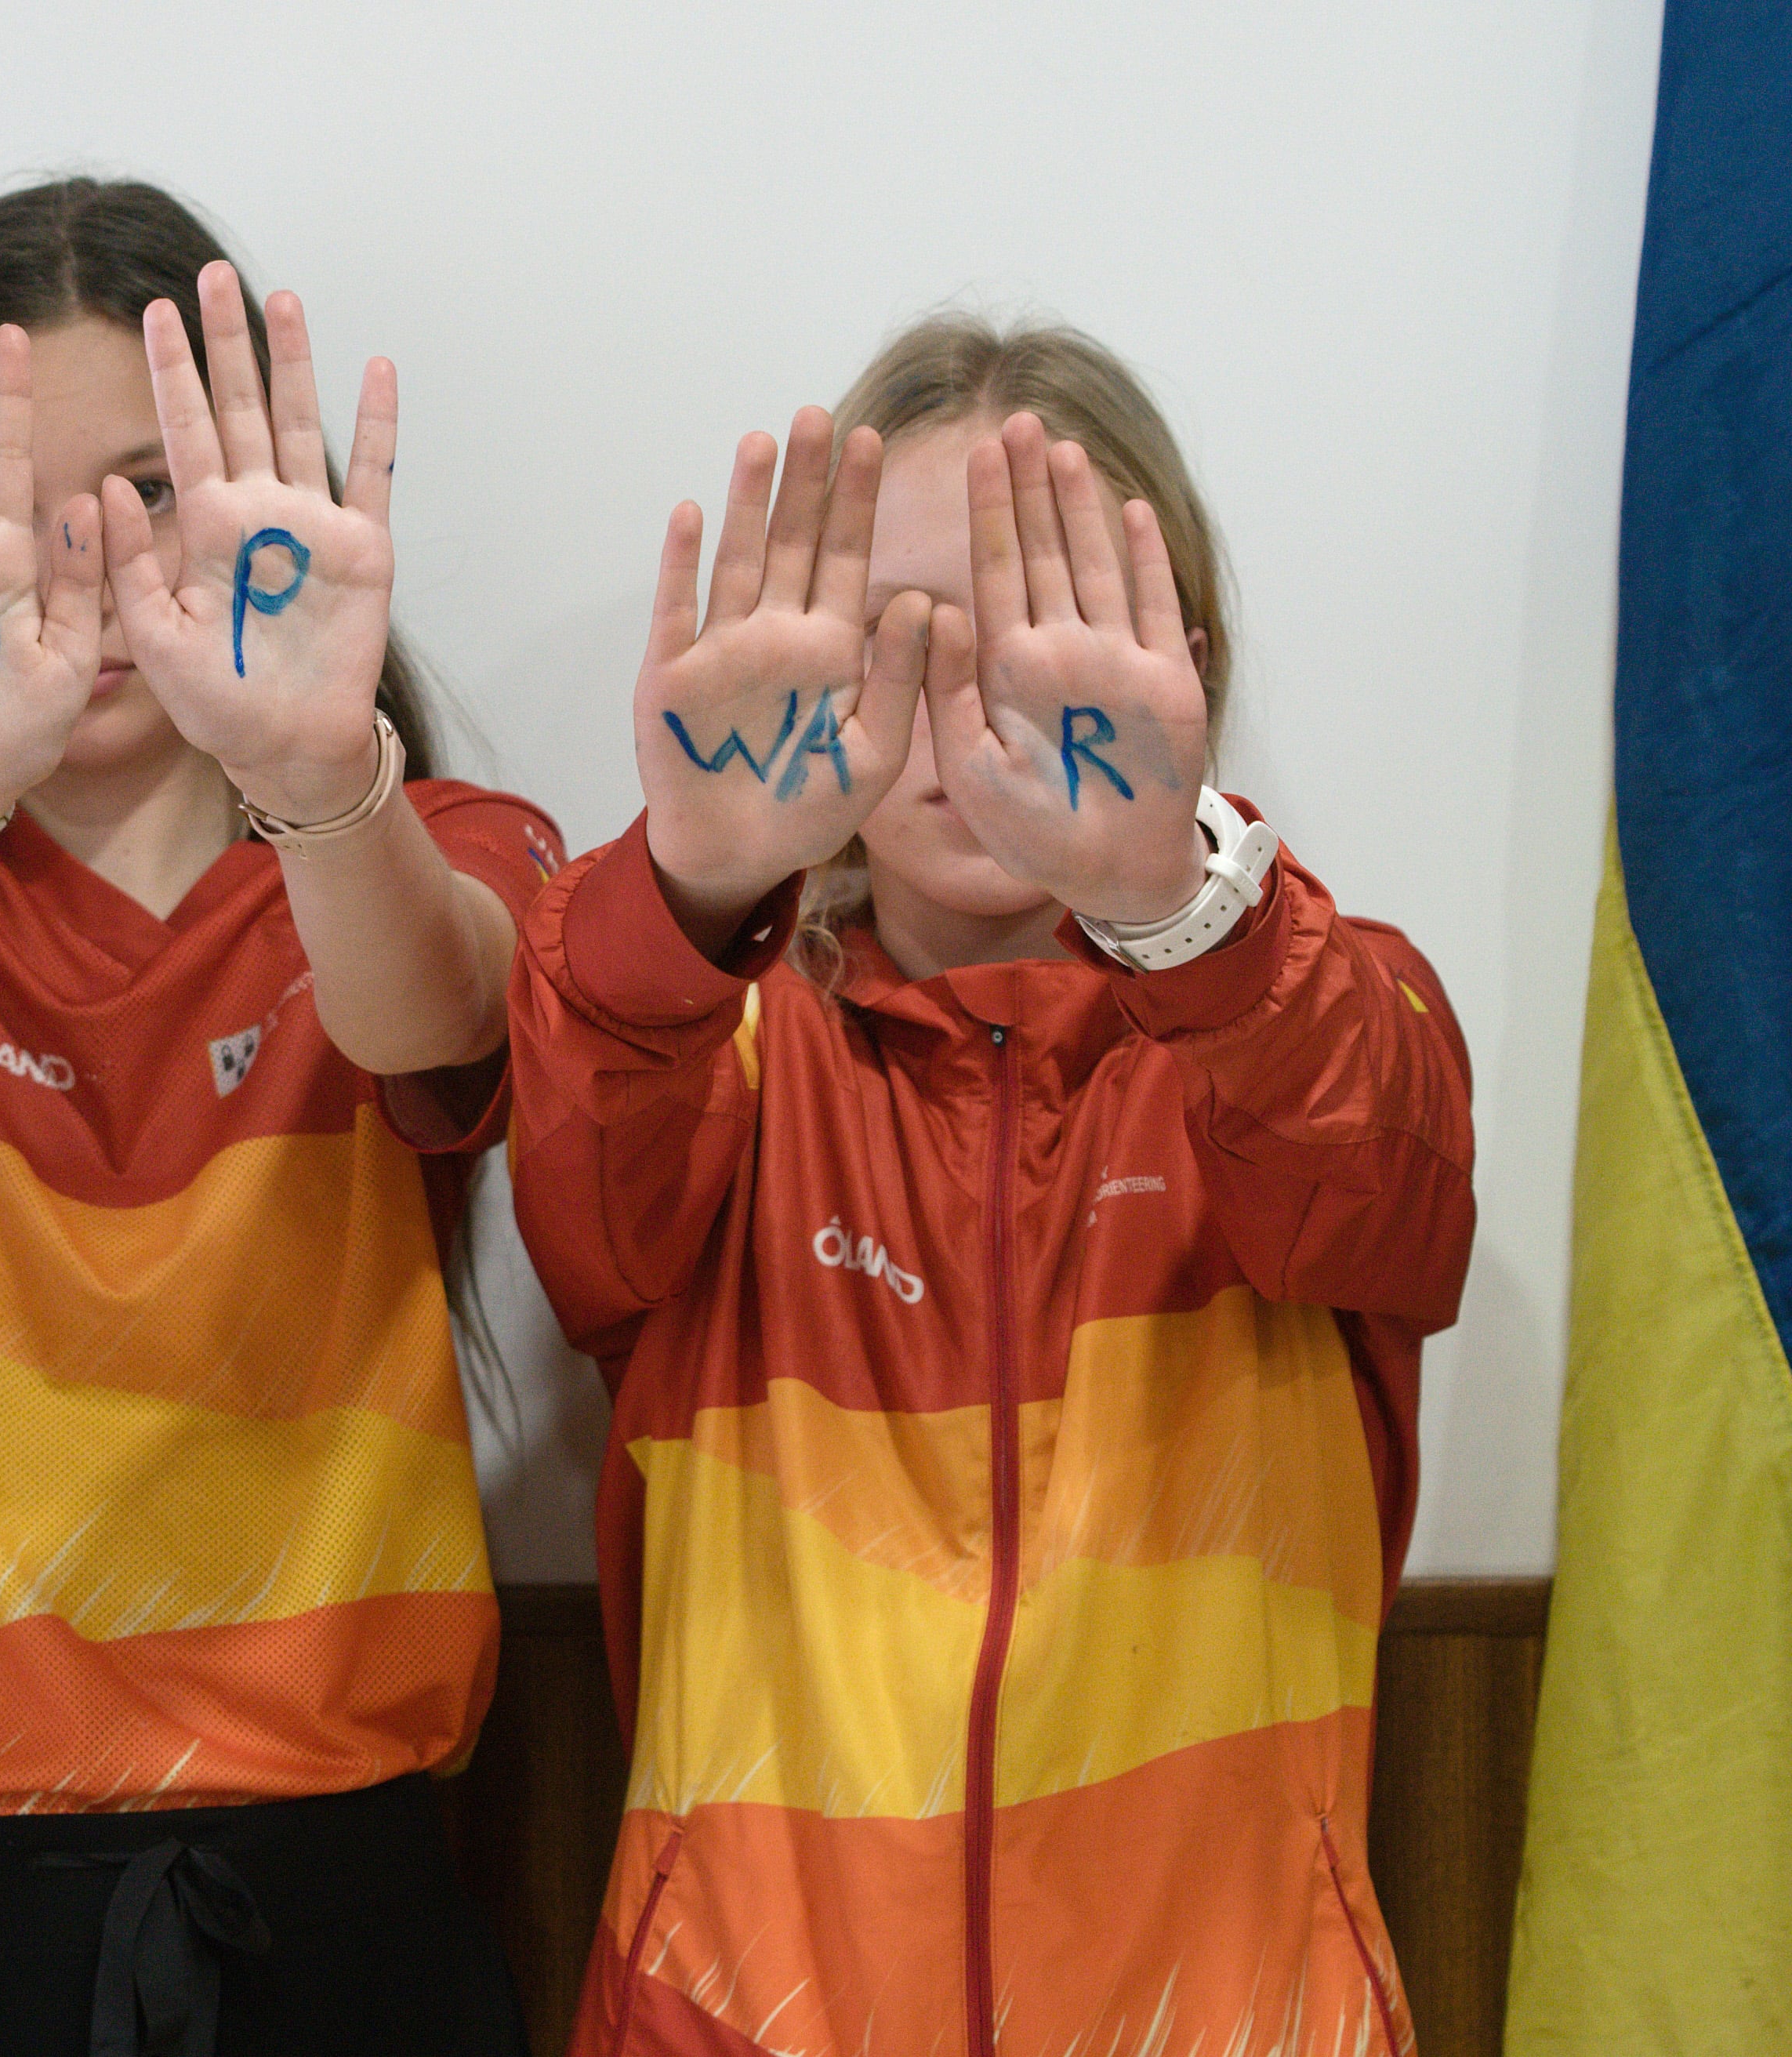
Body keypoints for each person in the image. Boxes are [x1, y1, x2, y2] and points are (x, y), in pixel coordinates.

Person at [0, 179, 553, 2055]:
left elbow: (443, 1016)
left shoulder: (414, 836)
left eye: (158, 490)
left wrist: (313, 768)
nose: (100, 563)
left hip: (327, 1894)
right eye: (15, 502)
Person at [507, 317, 1476, 2056]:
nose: (963, 709)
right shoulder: (697, 1042)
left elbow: (1374, 1172)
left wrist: (1171, 900)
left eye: (1042, 636)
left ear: (1187, 659)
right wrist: (690, 879)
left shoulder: (1328, 1011)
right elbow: (583, 1187)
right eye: (902, 637)